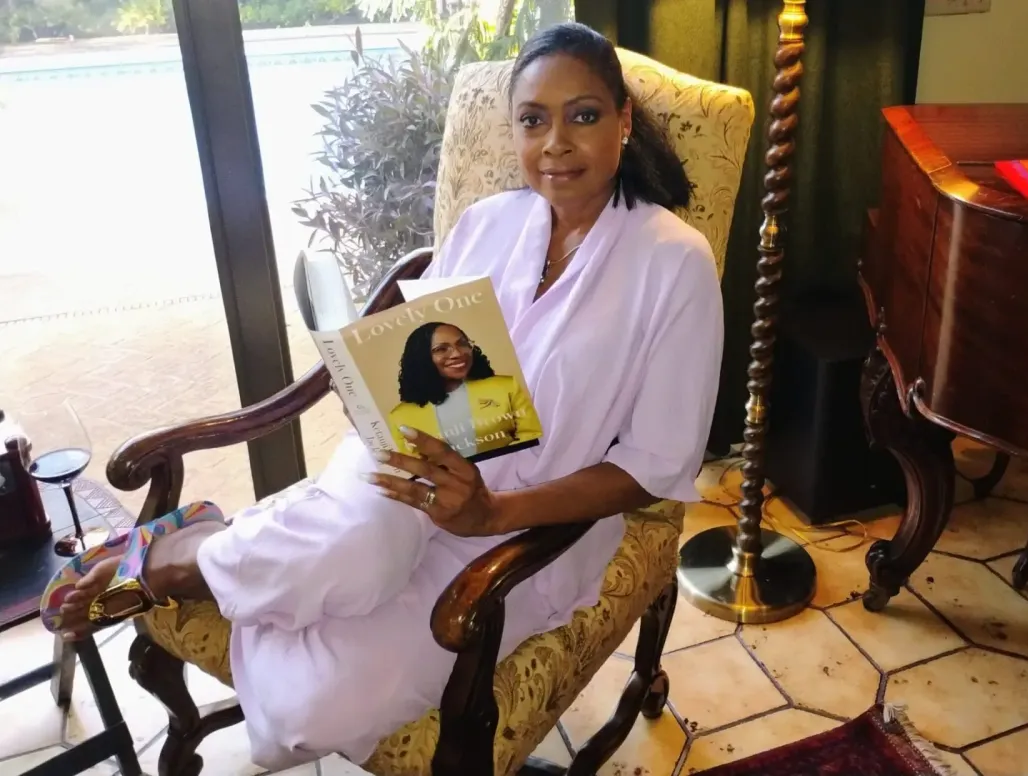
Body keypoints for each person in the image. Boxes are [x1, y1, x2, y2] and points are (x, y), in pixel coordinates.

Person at [41, 20, 723, 770]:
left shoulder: (673, 264)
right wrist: (379, 389)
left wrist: (492, 513)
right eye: (533, 120)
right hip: (413, 462)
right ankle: (174, 560)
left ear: (623, 120)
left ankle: (237, 553)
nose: (555, 143)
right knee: (362, 550)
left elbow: (654, 465)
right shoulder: (488, 224)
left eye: (582, 115)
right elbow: (433, 362)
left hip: (527, 524)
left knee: (305, 712)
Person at [387, 321, 541, 459]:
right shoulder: (400, 417)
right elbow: (414, 467)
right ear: (421, 358)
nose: (457, 353)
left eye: (462, 344)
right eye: (441, 349)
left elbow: (531, 437)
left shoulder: (507, 386)